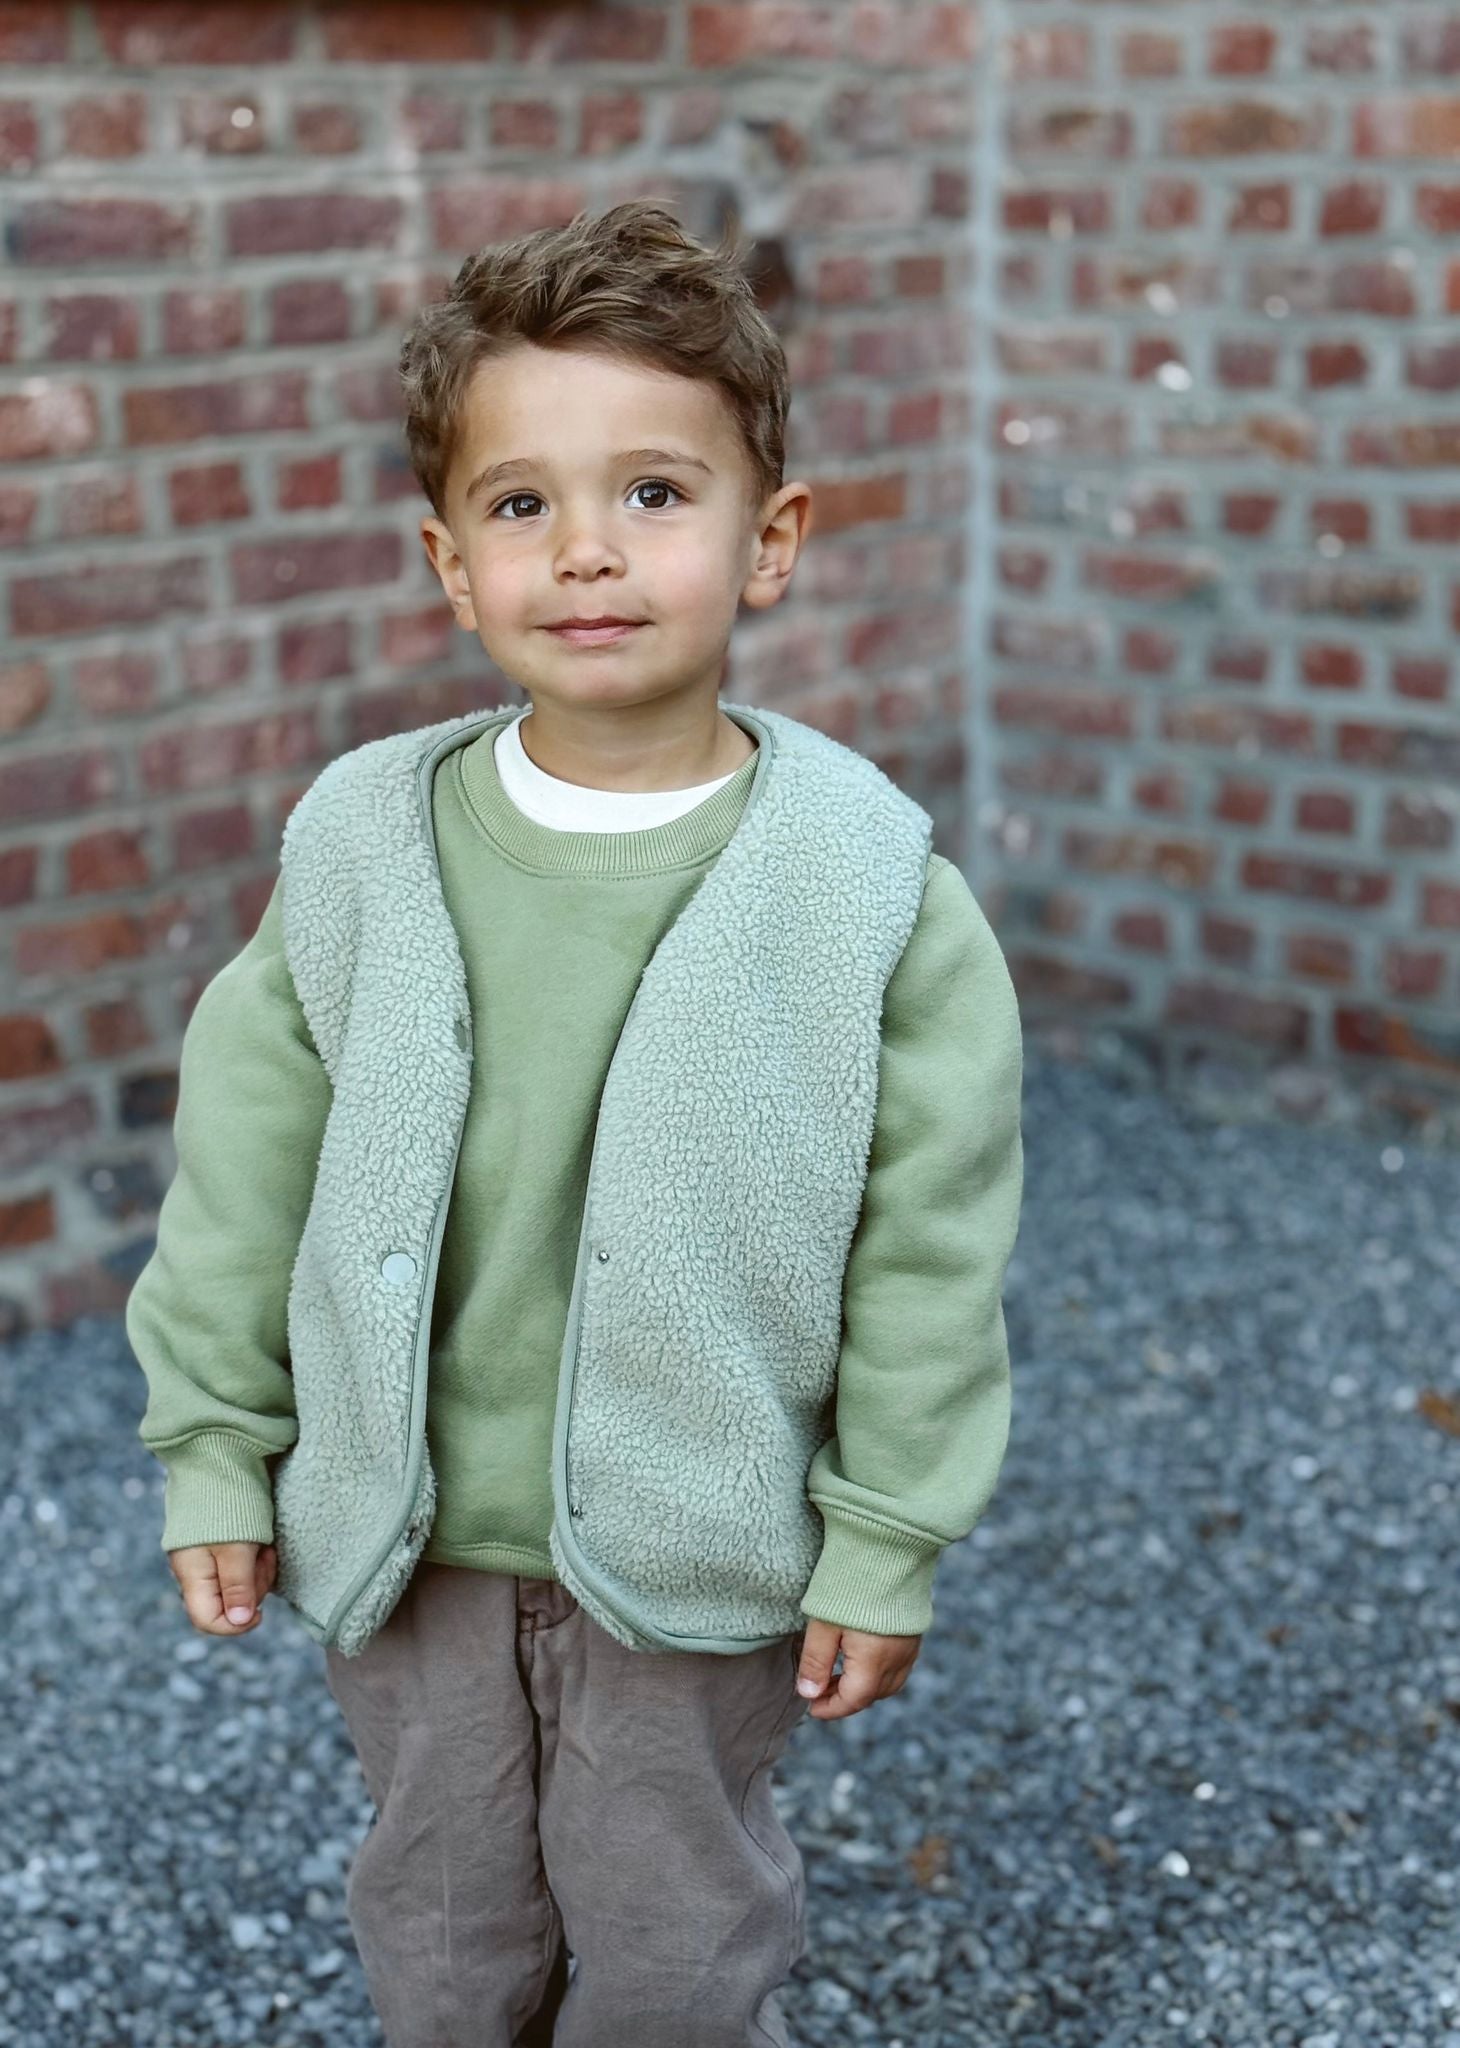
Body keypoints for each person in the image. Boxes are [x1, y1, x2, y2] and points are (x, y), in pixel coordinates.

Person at [125, 197, 1025, 2048]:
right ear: (451, 565)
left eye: (656, 493)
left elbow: (930, 1251)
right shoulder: (362, 848)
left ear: (772, 539)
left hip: (697, 1542)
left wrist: (884, 1536)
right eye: (523, 503)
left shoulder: (871, 894)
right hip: (417, 1537)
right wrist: (215, 1443)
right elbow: (241, 1175)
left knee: (679, 1945)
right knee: (445, 1937)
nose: (589, 550)